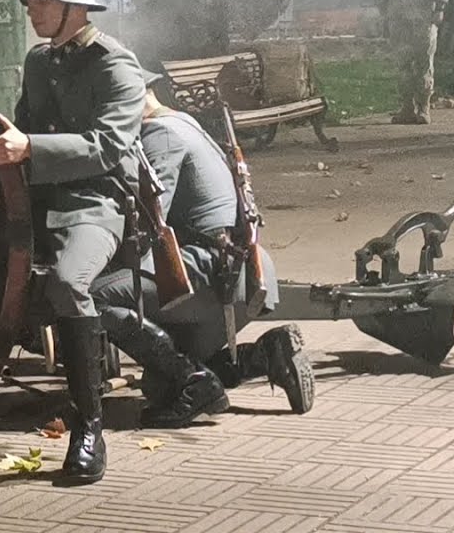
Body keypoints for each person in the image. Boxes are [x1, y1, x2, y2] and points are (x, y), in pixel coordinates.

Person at [0, 0, 147, 485]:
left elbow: (109, 148)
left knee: (70, 282)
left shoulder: (115, 64)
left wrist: (29, 147)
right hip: (37, 202)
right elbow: (25, 126)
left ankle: (89, 430)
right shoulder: (38, 61)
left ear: (75, 7)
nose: (31, 8)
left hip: (94, 206)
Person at [90, 70, 314, 425]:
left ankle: (194, 383)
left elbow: (144, 220)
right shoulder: (183, 122)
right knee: (157, 385)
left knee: (92, 298)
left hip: (212, 274)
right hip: (238, 271)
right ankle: (268, 355)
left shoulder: (159, 135)